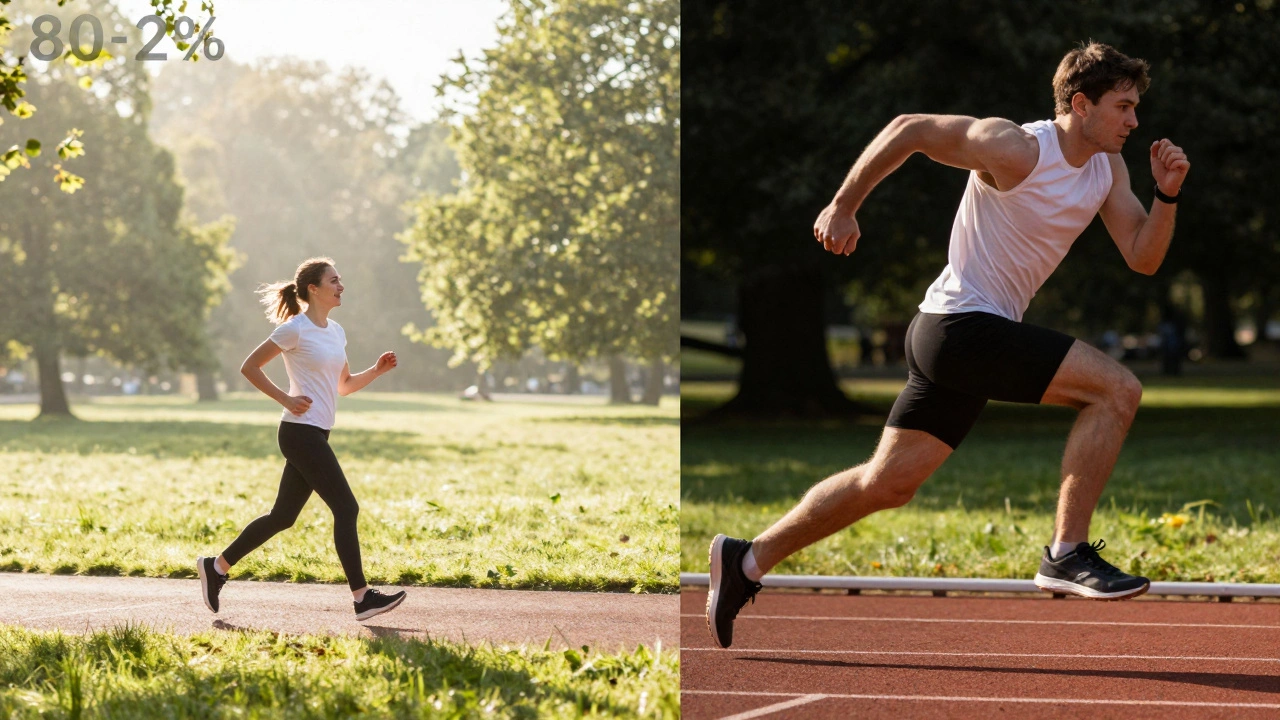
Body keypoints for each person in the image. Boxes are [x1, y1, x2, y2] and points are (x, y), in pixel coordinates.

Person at [707, 42, 1190, 648]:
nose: (1134, 121)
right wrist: (843, 205)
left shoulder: (1106, 170)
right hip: (961, 327)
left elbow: (1143, 257)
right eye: (1123, 106)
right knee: (1117, 390)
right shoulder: (1014, 148)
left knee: (887, 484)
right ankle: (1067, 552)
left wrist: (1167, 194)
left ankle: (745, 560)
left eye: (1136, 108)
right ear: (1081, 103)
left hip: (963, 340)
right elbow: (909, 129)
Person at [197, 257, 408, 621]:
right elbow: (249, 366)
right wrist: (287, 399)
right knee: (346, 508)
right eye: (334, 280)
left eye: (340, 280)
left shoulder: (336, 332)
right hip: (299, 432)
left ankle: (216, 567)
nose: (341, 286)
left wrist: (376, 370)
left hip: (317, 432)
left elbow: (343, 386)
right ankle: (362, 597)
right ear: (314, 288)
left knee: (282, 516)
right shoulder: (294, 329)